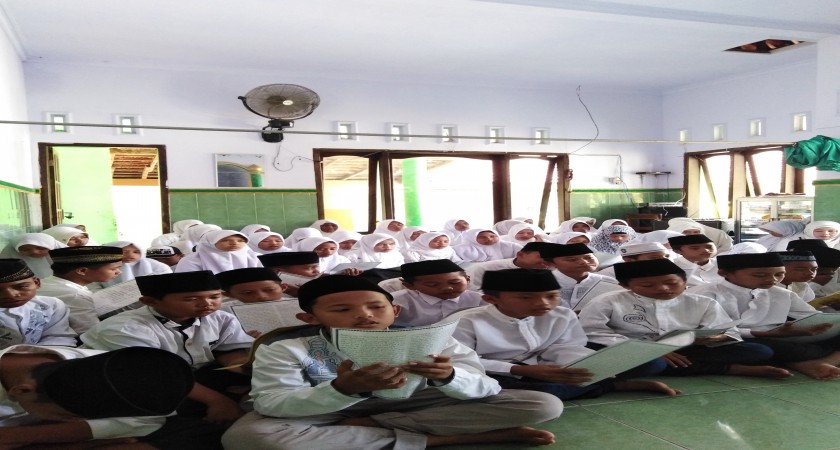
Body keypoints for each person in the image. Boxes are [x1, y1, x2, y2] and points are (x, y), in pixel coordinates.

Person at [221, 275, 563, 450]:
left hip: (416, 402)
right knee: (249, 438)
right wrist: (341, 390)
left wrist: (450, 377)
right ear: (310, 317)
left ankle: (374, 428)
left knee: (543, 403)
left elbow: (487, 386)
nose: (364, 316)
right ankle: (440, 441)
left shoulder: (431, 337)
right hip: (328, 410)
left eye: (376, 307)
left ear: (395, 310)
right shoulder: (287, 348)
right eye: (342, 310)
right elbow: (271, 403)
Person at [449, 268, 679, 400]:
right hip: (497, 371)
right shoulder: (465, 322)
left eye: (552, 296)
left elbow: (566, 346)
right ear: (491, 299)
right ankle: (614, 386)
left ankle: (594, 382)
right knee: (543, 393)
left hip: (545, 367)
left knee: (654, 364)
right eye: (526, 298)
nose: (543, 303)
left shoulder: (561, 314)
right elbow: (460, 362)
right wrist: (521, 370)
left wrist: (585, 367)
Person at [81, 271, 255, 424]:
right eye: (192, 299)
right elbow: (157, 376)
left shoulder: (221, 318)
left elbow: (229, 351)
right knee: (167, 412)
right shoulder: (126, 328)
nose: (207, 304)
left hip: (185, 374)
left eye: (214, 297)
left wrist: (245, 368)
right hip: (132, 381)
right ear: (150, 301)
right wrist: (218, 401)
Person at [579, 259, 787, 378]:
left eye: (671, 283)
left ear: (685, 281)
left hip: (687, 349)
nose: (663, 289)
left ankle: (681, 365)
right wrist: (646, 351)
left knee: (759, 350)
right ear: (626, 285)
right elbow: (592, 332)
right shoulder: (608, 301)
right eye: (648, 285)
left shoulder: (702, 302)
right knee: (651, 364)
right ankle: (730, 369)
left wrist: (716, 338)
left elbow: (727, 330)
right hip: (634, 349)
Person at [0, 345, 206, 449]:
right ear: (21, 391)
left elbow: (150, 419)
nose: (73, 422)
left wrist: (23, 436)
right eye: (65, 416)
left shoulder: (97, 364)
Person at [689, 253, 840, 380]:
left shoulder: (783, 294)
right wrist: (765, 333)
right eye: (760, 275)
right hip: (734, 340)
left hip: (778, 337)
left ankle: (820, 361)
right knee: (760, 350)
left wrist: (819, 325)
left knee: (814, 344)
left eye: (779, 274)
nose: (772, 280)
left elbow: (811, 316)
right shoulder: (705, 294)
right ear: (724, 273)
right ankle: (801, 361)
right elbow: (709, 332)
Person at [37, 246, 124, 334]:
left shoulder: (44, 282)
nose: (119, 272)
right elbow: (90, 331)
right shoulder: (76, 295)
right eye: (113, 269)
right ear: (82, 271)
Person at [0, 259, 76, 348]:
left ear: (36, 283)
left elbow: (57, 337)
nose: (11, 295)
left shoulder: (50, 305)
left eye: (22, 287)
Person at [392, 260, 484, 327]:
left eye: (455, 282)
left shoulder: (480, 300)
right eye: (432, 285)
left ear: (467, 280)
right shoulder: (396, 301)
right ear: (409, 285)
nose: (447, 288)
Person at [538, 243, 623, 312]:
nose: (584, 262)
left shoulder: (608, 282)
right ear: (550, 263)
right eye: (572, 259)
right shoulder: (540, 282)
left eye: (588, 257)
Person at [465, 241, 555, 291]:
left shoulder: (555, 270)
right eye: (543, 257)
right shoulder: (484, 269)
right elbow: (473, 294)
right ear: (520, 255)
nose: (548, 262)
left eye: (552, 259)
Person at [175, 230, 262, 274]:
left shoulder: (255, 257)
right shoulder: (191, 260)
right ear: (209, 243)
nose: (234, 243)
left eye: (240, 241)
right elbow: (188, 283)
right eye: (225, 240)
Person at [96, 240, 172, 289]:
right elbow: (94, 288)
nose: (130, 255)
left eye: (136, 252)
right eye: (124, 252)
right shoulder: (99, 267)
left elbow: (165, 283)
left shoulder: (156, 266)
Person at [0, 232, 65, 278]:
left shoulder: (65, 258)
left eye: (41, 248)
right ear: (15, 251)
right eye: (25, 249)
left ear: (53, 248)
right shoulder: (8, 258)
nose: (34, 252)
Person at [258, 251, 322, 297]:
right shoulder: (260, 290)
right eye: (310, 268)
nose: (317, 271)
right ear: (277, 271)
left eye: (317, 267)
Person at [596, 241, 670, 279]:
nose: (665, 260)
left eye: (667, 256)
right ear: (629, 260)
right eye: (655, 258)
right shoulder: (609, 275)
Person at [453, 228, 522, 262]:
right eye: (482, 237)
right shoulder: (461, 249)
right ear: (472, 238)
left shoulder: (511, 246)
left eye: (492, 236)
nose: (489, 239)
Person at [667, 218, 732, 253]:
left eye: (696, 232)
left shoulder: (718, 236)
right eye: (686, 232)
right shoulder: (667, 242)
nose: (692, 235)